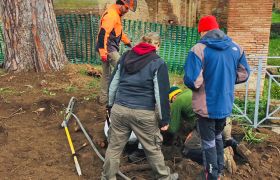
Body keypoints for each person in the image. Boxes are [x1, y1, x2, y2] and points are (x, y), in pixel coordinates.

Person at [101, 32, 178, 180]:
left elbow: (113, 84)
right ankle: (163, 177)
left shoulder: (125, 57)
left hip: (120, 109)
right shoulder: (158, 62)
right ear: (157, 45)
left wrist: (110, 106)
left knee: (114, 147)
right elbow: (161, 94)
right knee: (152, 147)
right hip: (143, 113)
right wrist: (164, 120)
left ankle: (107, 177)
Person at [184, 15, 250, 179]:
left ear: (203, 31)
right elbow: (244, 74)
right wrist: (226, 79)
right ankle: (219, 169)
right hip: (225, 105)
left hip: (206, 107)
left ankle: (211, 175)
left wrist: (205, 80)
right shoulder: (236, 47)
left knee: (208, 143)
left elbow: (193, 81)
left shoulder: (198, 49)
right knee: (218, 136)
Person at [96, 0, 136, 105]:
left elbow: (119, 32)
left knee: (106, 75)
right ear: (121, 4)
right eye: (126, 8)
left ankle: (103, 99)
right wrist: (103, 52)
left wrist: (128, 42)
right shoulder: (111, 15)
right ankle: (124, 97)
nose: (127, 11)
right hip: (108, 49)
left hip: (109, 48)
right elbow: (102, 34)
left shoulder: (116, 14)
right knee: (123, 68)